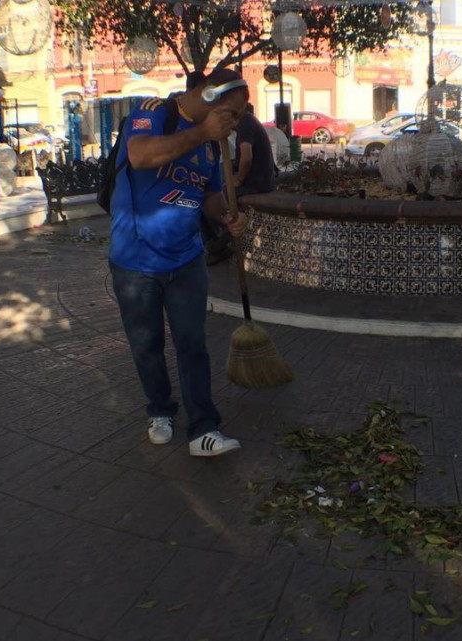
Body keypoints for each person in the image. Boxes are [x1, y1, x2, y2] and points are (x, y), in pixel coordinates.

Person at [109, 67, 249, 457]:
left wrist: (227, 216)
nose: (234, 122)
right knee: (147, 344)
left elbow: (210, 196)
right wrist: (204, 132)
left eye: (238, 117)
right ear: (208, 96)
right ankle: (160, 410)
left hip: (187, 259)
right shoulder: (154, 112)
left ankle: (204, 428)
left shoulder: (212, 147)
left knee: (193, 344)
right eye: (231, 112)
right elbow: (139, 156)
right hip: (135, 260)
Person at [203, 103, 276, 264]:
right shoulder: (248, 123)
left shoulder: (246, 125)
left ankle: (218, 245)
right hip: (260, 180)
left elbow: (247, 157)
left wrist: (239, 178)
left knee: (216, 200)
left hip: (256, 183)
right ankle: (219, 241)